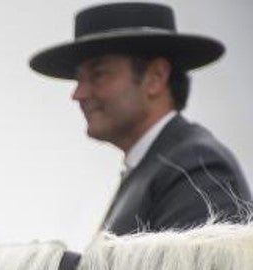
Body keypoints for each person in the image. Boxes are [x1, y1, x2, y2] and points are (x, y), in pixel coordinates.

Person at [30, 1, 249, 234]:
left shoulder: (194, 167)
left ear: (155, 77)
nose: (78, 94)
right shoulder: (152, 167)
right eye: (79, 79)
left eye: (98, 75)